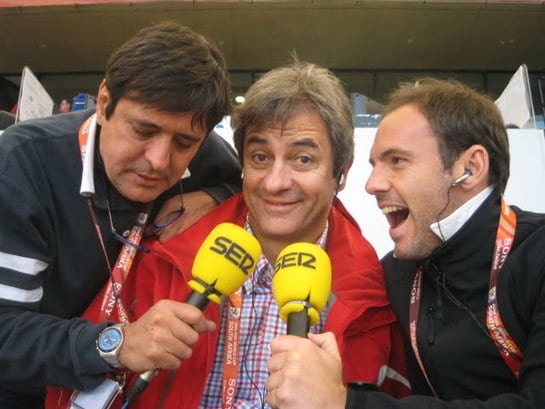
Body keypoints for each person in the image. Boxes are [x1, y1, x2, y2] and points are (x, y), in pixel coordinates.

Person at [51, 60, 412, 408]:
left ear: (341, 173)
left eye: (303, 159)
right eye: (259, 157)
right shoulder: (162, 254)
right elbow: (74, 379)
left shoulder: (380, 296)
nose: (275, 182)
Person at [0, 22, 242, 408]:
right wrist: (115, 342)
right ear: (103, 101)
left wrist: (212, 195)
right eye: (143, 130)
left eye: (184, 143)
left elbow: (240, 181)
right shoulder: (21, 166)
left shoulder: (209, 156)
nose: (159, 162)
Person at [265, 77, 545, 408]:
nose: (372, 184)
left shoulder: (537, 253)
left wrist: (347, 404)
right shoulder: (393, 275)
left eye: (397, 161)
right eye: (374, 165)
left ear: (470, 169)